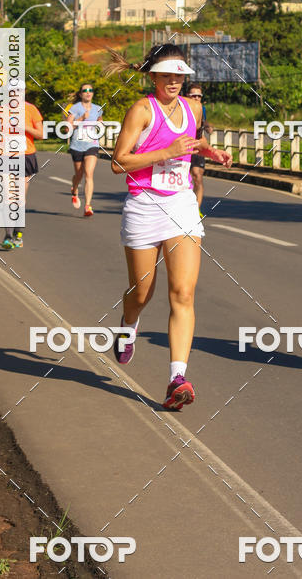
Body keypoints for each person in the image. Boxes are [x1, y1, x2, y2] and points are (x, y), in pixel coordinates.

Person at [109, 44, 232, 409]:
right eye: (167, 75)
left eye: (179, 75)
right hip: (143, 207)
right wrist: (166, 152)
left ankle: (176, 378)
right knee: (142, 293)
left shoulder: (192, 108)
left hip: (180, 204)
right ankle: (129, 323)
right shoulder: (141, 110)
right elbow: (119, 163)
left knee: (183, 293)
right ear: (154, 77)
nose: (175, 81)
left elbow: (192, 142)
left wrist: (210, 152)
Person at [2, 90, 43, 250]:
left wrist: (24, 127)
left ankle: (18, 233)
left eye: (18, 91)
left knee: (19, 199)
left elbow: (41, 134)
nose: (15, 95)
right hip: (6, 156)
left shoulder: (31, 109)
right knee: (7, 197)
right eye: (11, 92)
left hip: (25, 156)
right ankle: (7, 236)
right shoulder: (2, 109)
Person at [66, 82, 103, 217]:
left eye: (90, 90)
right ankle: (74, 189)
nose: (88, 92)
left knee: (89, 174)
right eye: (85, 90)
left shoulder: (98, 108)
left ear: (93, 93)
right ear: (81, 94)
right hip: (77, 145)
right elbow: (67, 128)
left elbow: (100, 122)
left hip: (92, 144)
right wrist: (81, 119)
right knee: (79, 174)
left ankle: (88, 205)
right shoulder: (75, 109)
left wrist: (100, 125)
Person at [185, 83, 210, 217]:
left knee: (197, 176)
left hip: (198, 146)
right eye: (193, 95)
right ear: (187, 96)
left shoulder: (202, 109)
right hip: (182, 148)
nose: (196, 98)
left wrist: (208, 127)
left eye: (198, 96)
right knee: (184, 179)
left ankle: (196, 209)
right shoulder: (180, 108)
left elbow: (203, 122)